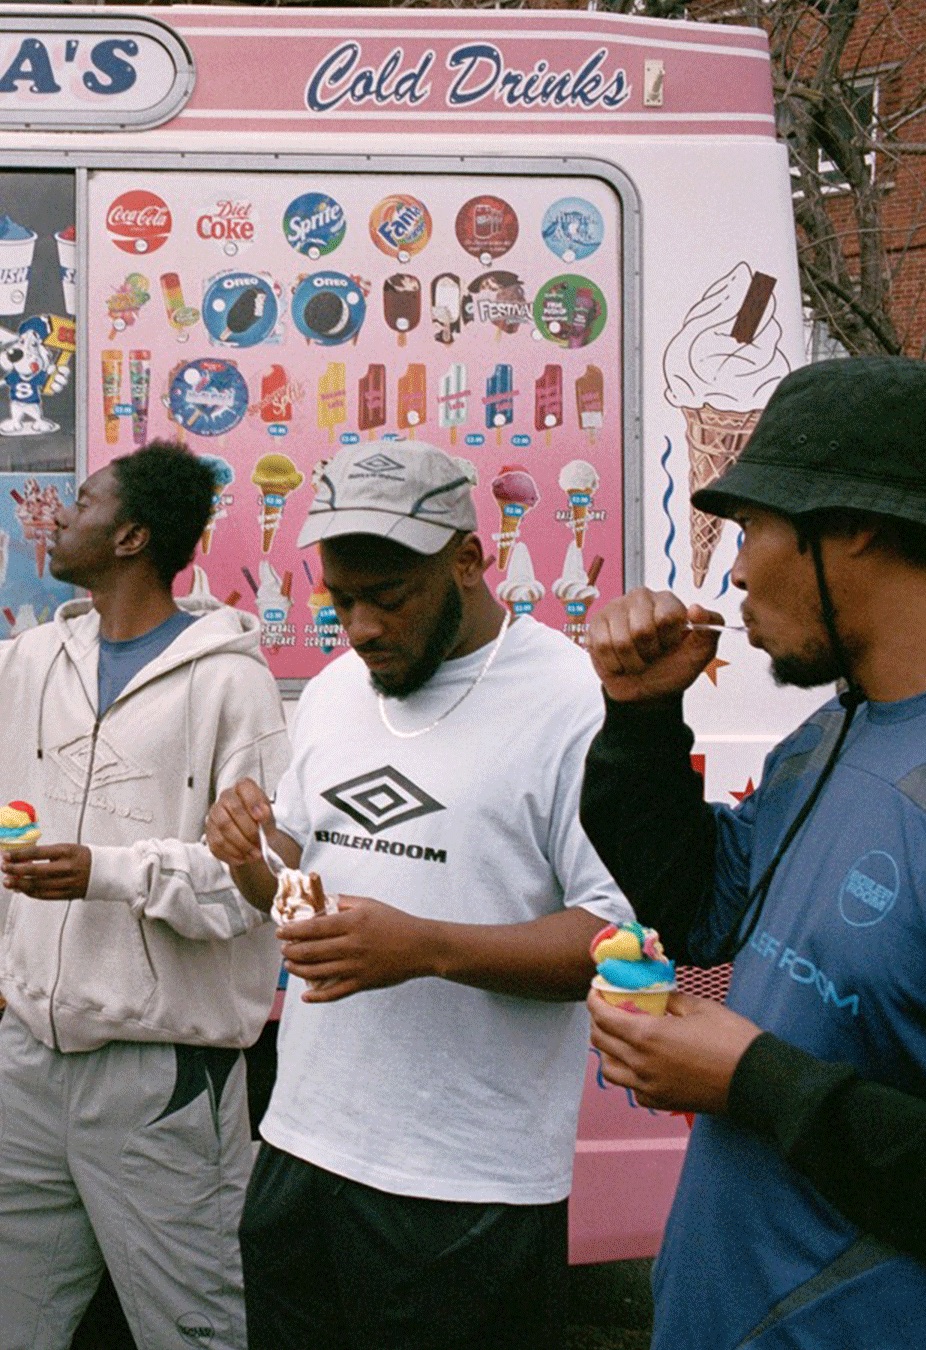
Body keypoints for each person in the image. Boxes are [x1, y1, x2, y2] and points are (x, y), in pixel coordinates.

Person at [581, 357, 926, 1349]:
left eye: (752, 527)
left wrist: (752, 1078)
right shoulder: (837, 728)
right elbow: (704, 910)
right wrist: (639, 718)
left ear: (855, 526)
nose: (735, 571)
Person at [205, 441, 633, 1350]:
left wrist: (424, 948)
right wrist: (251, 861)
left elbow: (616, 949)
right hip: (302, 1149)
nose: (360, 628)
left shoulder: (576, 701)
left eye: (389, 597)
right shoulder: (336, 691)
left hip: (467, 1186)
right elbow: (307, 908)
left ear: (469, 560)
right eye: (340, 600)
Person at [0, 441, 290, 1350]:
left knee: (193, 1328)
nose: (59, 516)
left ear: (131, 536)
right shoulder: (32, 660)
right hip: (26, 1059)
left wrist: (107, 871)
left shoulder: (232, 681)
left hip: (162, 1075)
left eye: (82, 501)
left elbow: (254, 889)